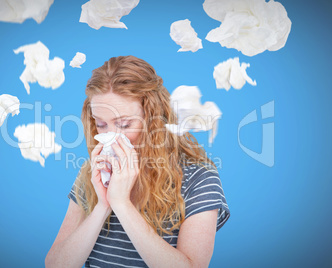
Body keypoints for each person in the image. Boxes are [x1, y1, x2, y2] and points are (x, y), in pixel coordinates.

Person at [45, 55, 230, 267]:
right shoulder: (93, 172)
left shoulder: (198, 178)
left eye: (124, 124)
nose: (112, 137)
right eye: (101, 124)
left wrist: (122, 204)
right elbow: (56, 264)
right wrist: (103, 205)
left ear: (154, 118)